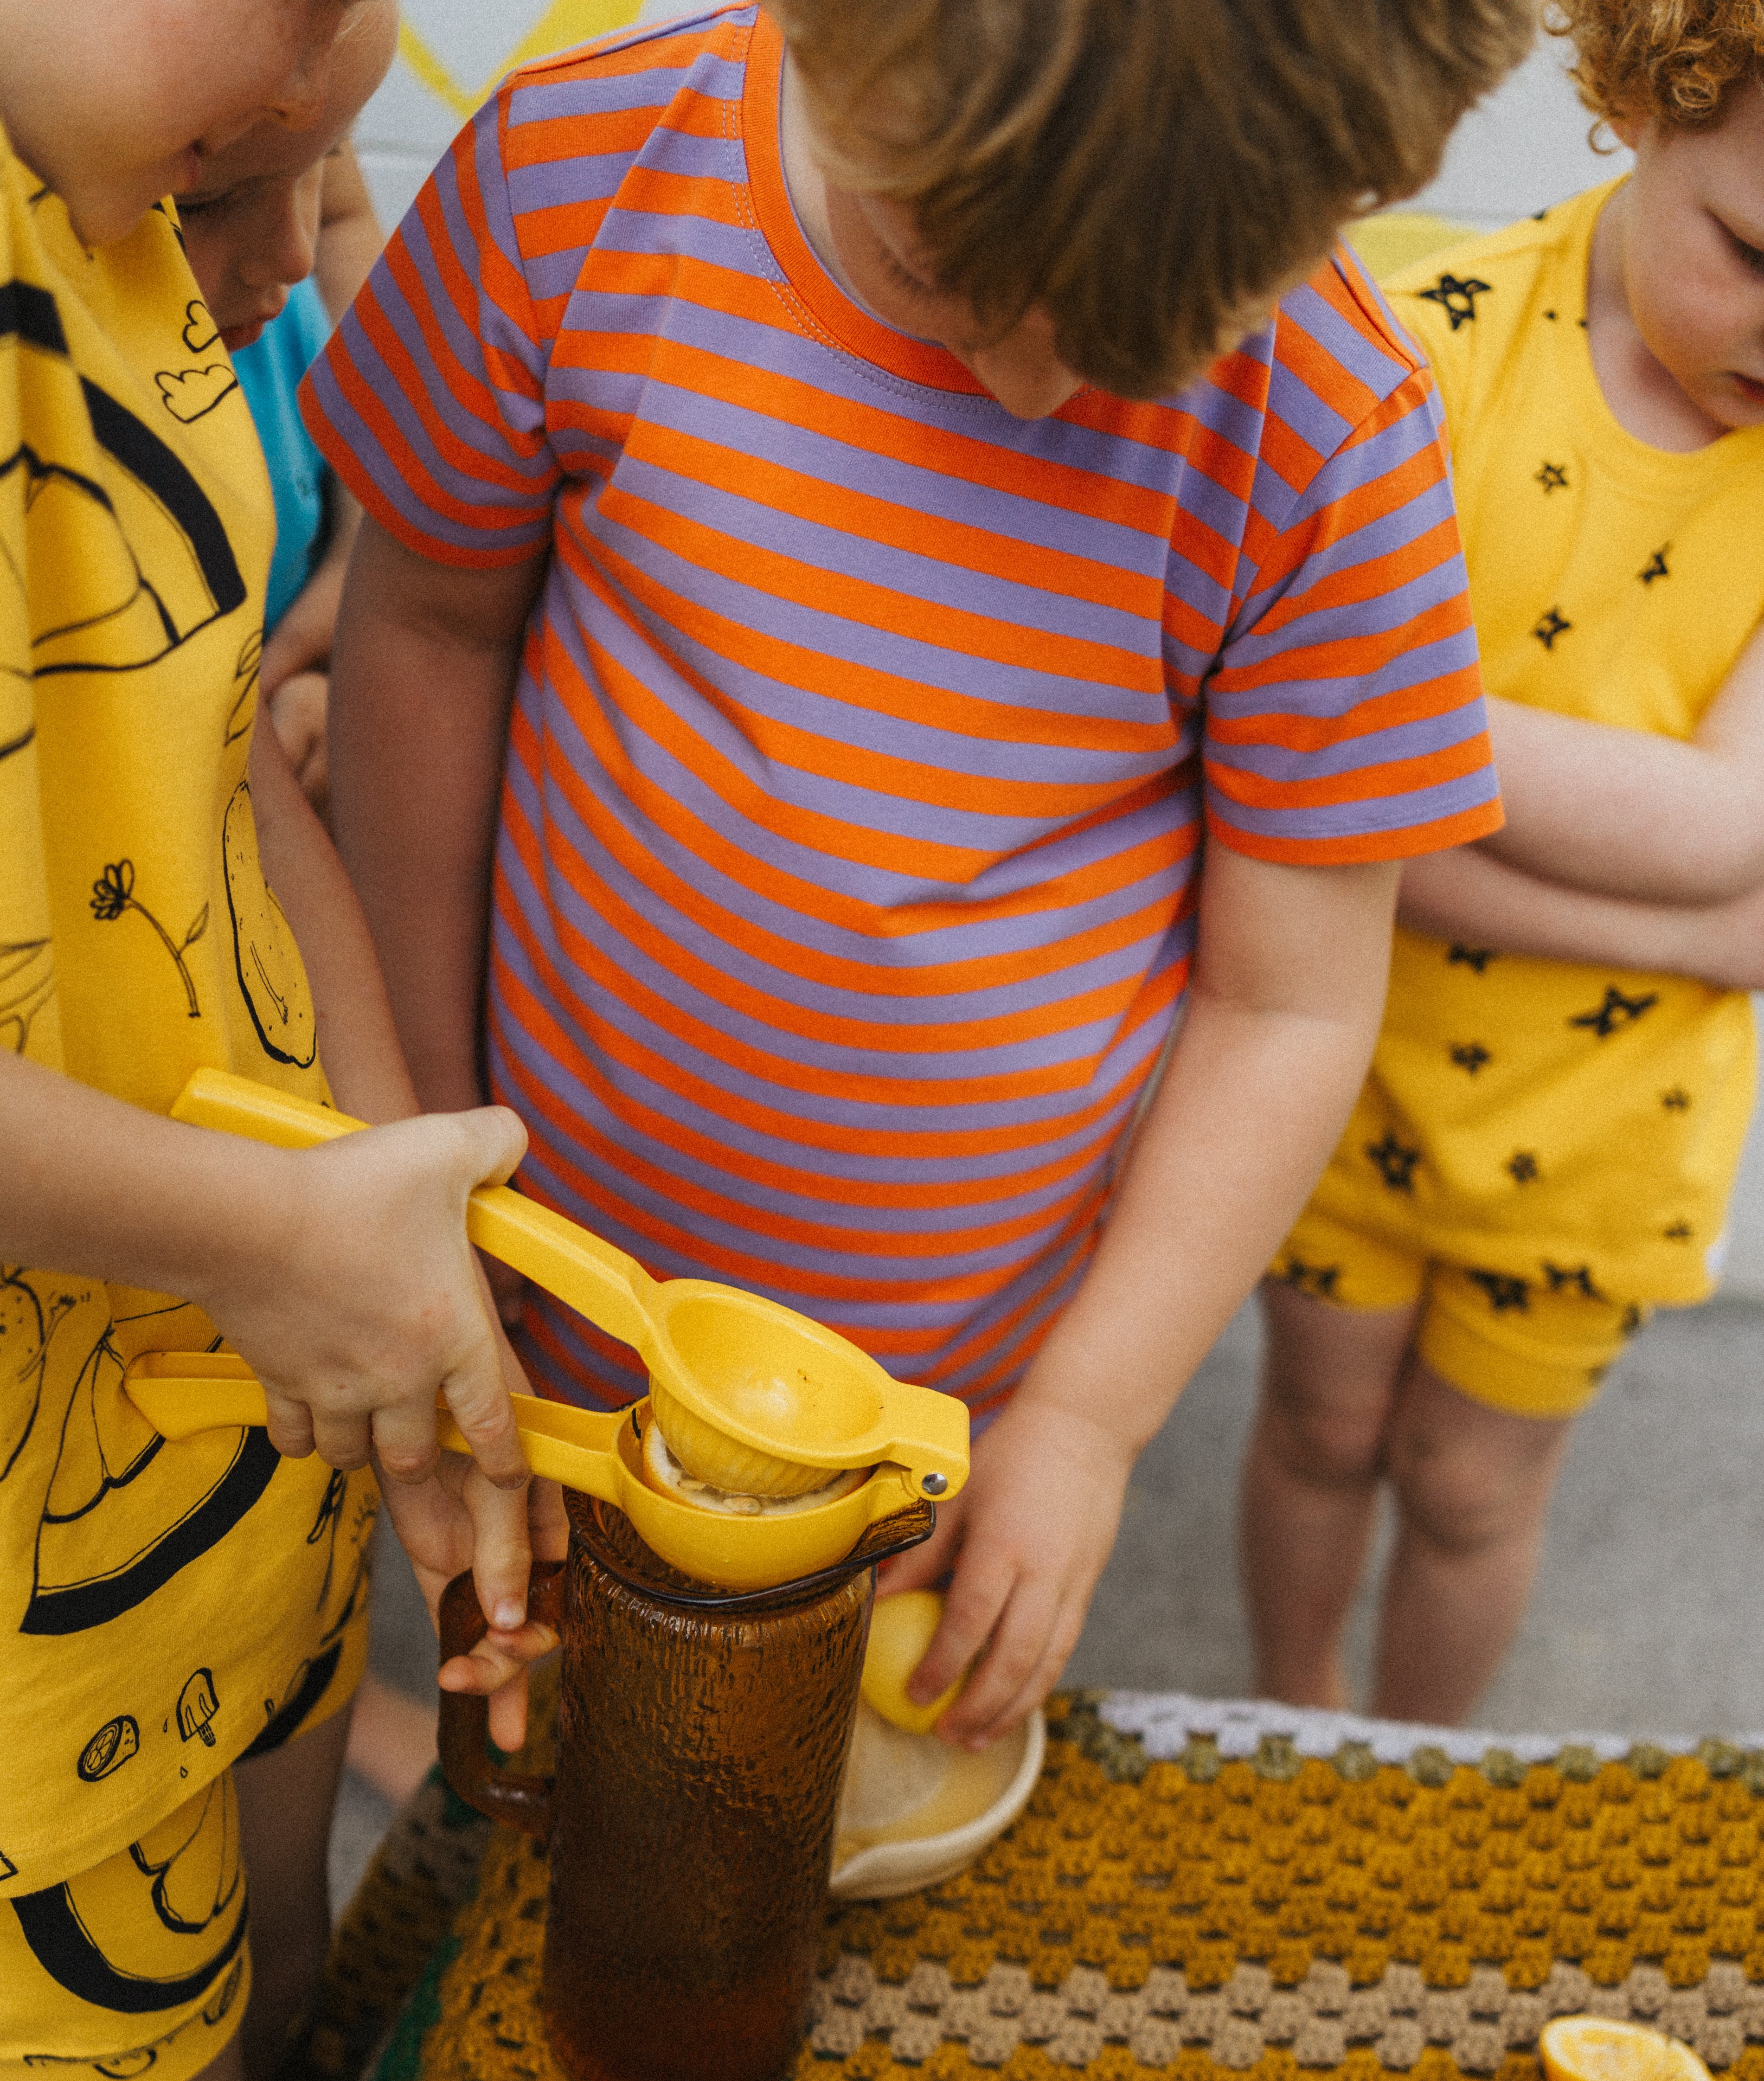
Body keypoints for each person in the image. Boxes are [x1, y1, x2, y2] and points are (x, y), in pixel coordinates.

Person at [305, 0, 1534, 1751]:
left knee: (793, 1757)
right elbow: (425, 637)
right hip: (537, 1246)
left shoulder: (1328, 426)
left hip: (952, 1376)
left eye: (1136, 341)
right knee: (538, 1656)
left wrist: (1091, 1424)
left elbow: (1290, 1000)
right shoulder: (582, 176)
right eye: (950, 263)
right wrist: (420, 1133)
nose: (1035, 383)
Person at [0, 0, 548, 2081]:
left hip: (221, 1403)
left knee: (283, 1961)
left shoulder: (132, 199)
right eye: (291, 53)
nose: (301, 184)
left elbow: (219, 766)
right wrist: (281, 1241)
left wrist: (389, 1219)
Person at [1243, 0, 1764, 1726]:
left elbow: (1741, 835)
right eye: (1755, 253)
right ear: (1642, 97)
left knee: (1474, 1494)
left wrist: (1403, 773)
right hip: (1341, 1083)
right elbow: (1297, 774)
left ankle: (1414, 1777)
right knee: (1318, 1433)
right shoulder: (1421, 349)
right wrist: (1691, 900)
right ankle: (1296, 1721)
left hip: (1607, 1145)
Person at [180, 140, 385, 815]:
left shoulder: (285, 282)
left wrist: (327, 662)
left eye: (316, 164)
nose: (292, 256)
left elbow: (341, 220)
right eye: (205, 202)